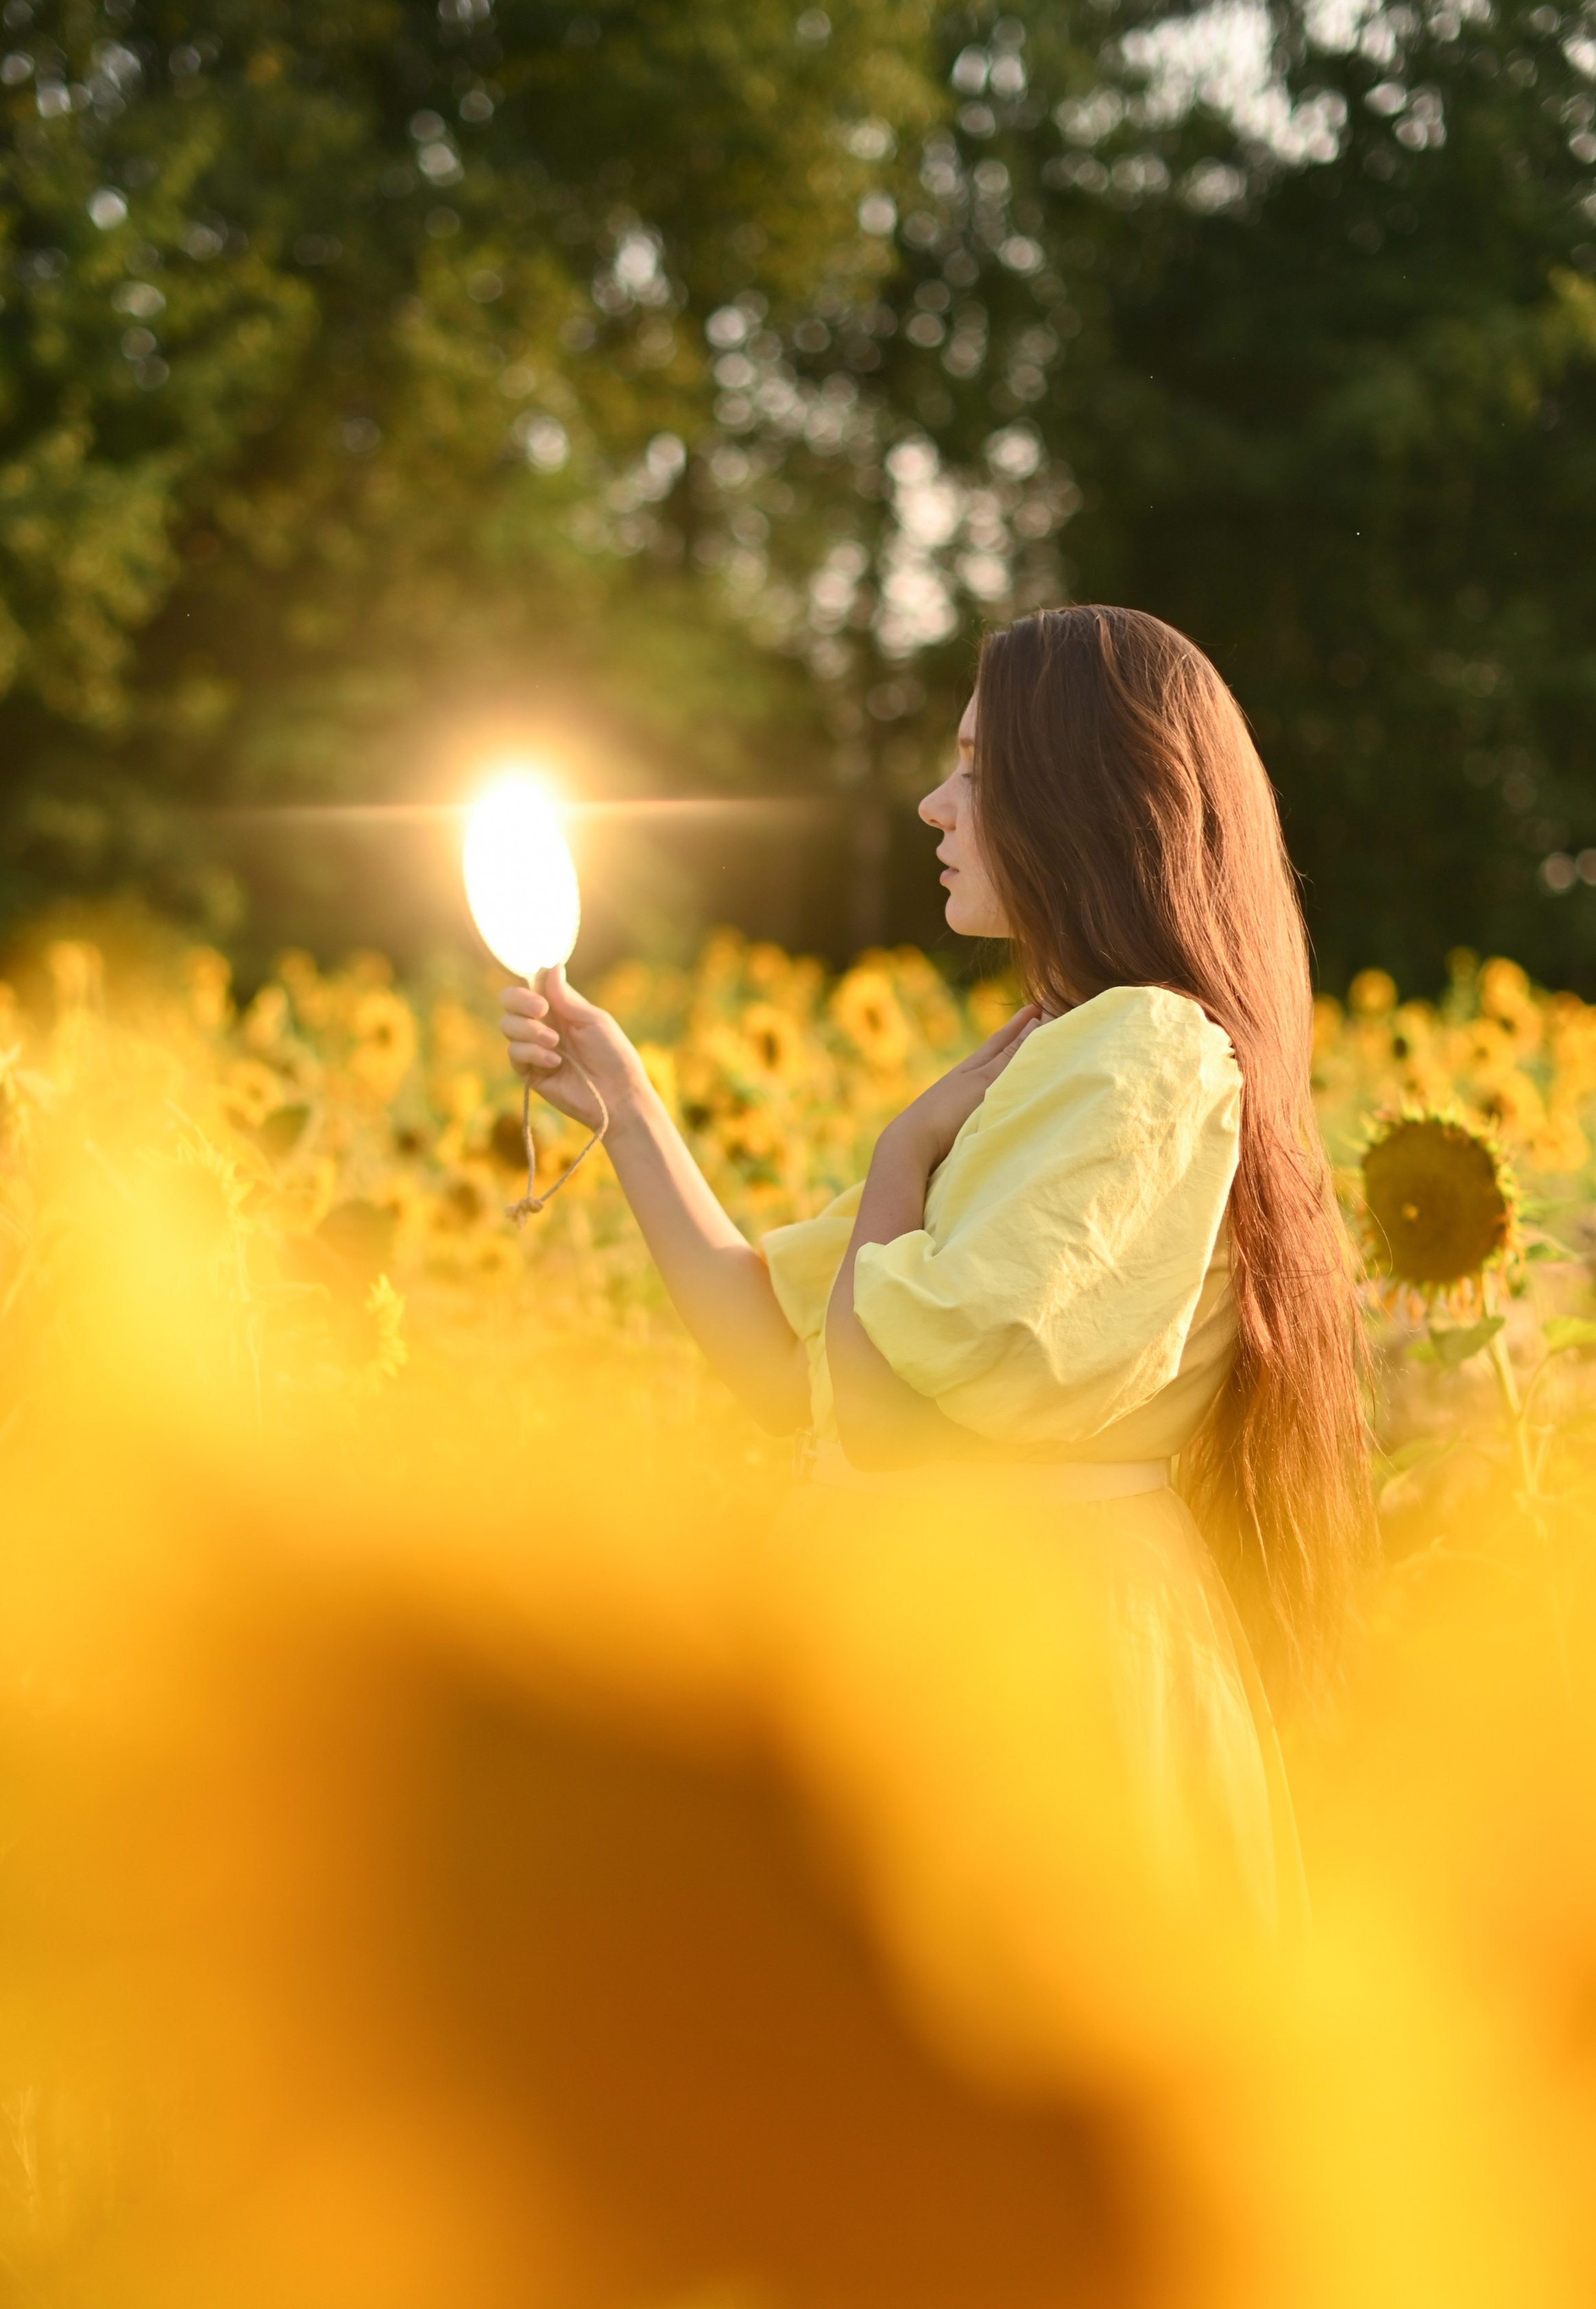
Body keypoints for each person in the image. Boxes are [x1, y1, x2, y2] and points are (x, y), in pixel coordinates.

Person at [500, 606, 1373, 1932]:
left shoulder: (1142, 1048)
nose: (932, 803)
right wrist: (619, 1096)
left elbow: (892, 1410)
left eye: (975, 768)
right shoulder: (1059, 1053)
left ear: (1079, 799)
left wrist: (903, 1148)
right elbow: (776, 1351)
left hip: (1040, 1665)